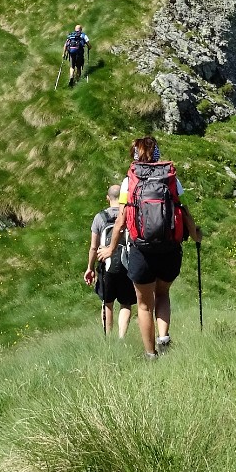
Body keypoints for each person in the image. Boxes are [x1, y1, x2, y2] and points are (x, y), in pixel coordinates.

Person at [98, 136, 200, 358]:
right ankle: (163, 337)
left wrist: (110, 249)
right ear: (157, 154)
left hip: (141, 251)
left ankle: (150, 353)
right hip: (169, 249)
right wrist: (195, 235)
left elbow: (121, 221)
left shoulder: (130, 181)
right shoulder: (171, 177)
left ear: (135, 155)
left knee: (144, 305)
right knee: (162, 294)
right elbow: (184, 211)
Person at [84, 184, 136, 339]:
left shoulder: (100, 218)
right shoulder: (128, 215)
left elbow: (94, 247)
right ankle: (121, 338)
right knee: (126, 303)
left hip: (106, 266)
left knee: (107, 302)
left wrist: (90, 268)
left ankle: (107, 337)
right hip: (127, 266)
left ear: (108, 198)